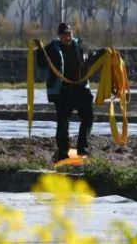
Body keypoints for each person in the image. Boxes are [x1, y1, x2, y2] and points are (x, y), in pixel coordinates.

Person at [35, 22, 98, 162]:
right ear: (59, 36)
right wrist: (39, 51)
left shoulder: (82, 46)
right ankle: (63, 153)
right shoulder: (52, 48)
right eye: (64, 35)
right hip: (63, 91)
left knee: (88, 118)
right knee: (63, 123)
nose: (67, 37)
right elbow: (41, 63)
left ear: (72, 34)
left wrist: (105, 53)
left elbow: (93, 59)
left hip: (81, 90)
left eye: (69, 34)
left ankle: (83, 150)